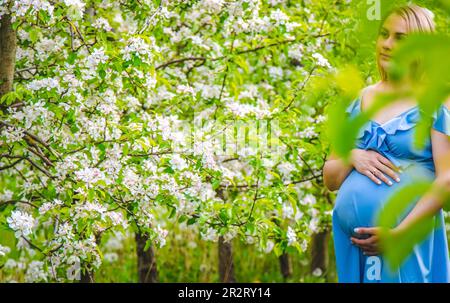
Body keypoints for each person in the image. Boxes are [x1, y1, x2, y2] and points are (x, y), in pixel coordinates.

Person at [323, 4, 450, 282]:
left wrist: (398, 234)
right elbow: (330, 178)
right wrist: (352, 156)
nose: (388, 44)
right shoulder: (358, 101)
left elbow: (447, 180)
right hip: (354, 247)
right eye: (384, 34)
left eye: (401, 38)